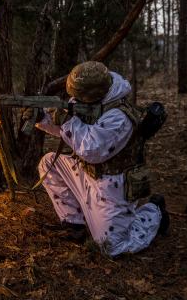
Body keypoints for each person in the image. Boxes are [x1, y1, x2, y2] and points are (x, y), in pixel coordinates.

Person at [34, 61, 169, 257]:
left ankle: (153, 211)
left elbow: (91, 149)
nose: (74, 100)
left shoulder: (119, 116)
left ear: (93, 94)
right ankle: (74, 223)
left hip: (112, 186)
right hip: (86, 173)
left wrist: (67, 120)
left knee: (111, 247)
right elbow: (71, 133)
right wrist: (43, 118)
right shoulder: (87, 100)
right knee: (49, 163)